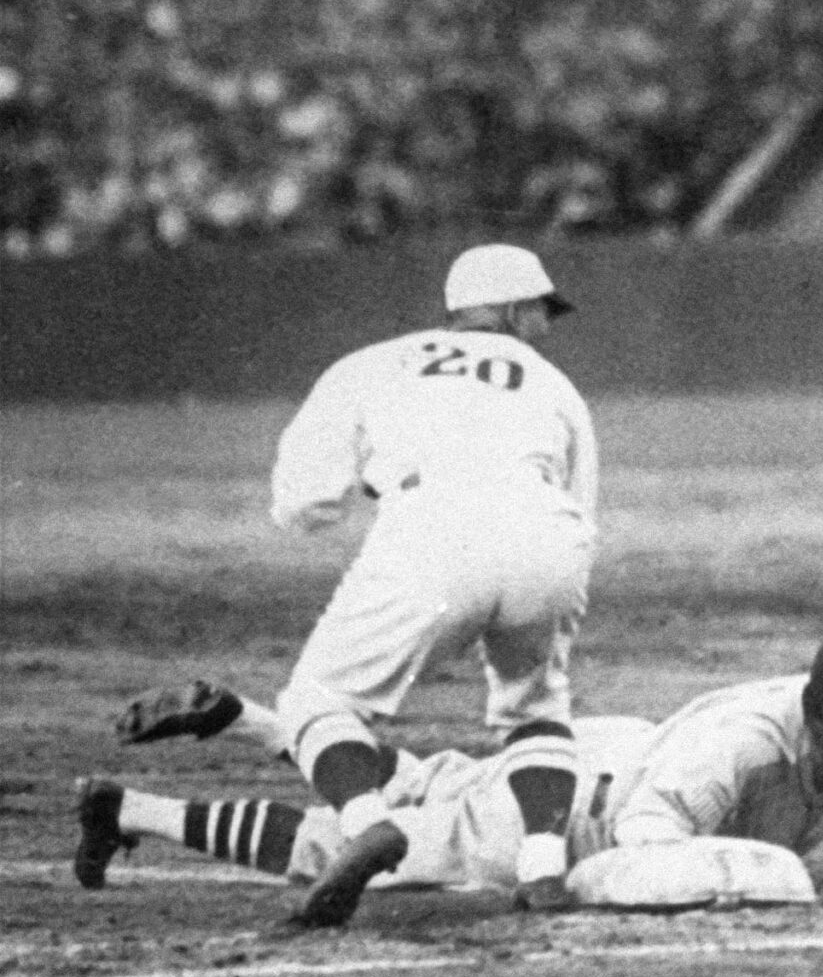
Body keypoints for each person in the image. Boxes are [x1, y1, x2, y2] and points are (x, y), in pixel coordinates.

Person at [123, 243, 600, 928]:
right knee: (536, 706)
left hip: (433, 524)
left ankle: (368, 821)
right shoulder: (558, 388)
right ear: (512, 308)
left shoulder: (374, 363)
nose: (546, 326)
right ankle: (544, 869)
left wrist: (363, 492)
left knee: (316, 701)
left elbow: (303, 502)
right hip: (550, 532)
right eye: (541, 310)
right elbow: (583, 511)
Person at [78, 630, 823, 903]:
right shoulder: (738, 747)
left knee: (427, 780)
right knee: (354, 847)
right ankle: (132, 812)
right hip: (571, 810)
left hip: (610, 756)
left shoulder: (821, 723)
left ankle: (250, 719)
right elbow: (639, 847)